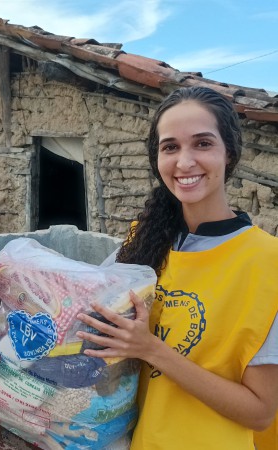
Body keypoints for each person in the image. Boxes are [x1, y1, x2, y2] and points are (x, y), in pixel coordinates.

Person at [76, 86, 278, 449]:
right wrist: (17, 277)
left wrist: (152, 349)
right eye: (170, 147)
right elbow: (83, 302)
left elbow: (260, 411)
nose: (184, 162)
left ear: (229, 153)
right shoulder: (145, 240)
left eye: (202, 144)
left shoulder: (268, 263)